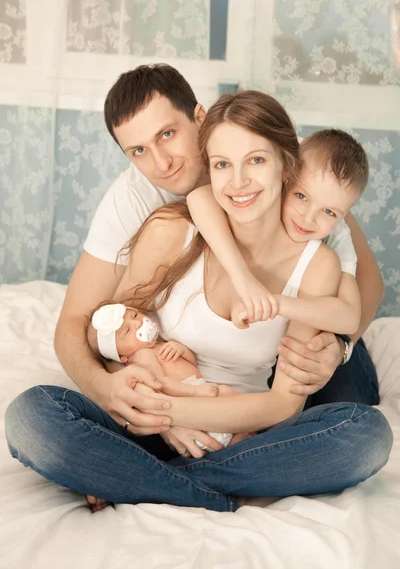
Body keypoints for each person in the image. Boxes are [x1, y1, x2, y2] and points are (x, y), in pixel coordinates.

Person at [6, 90, 392, 513]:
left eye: (256, 161)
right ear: (209, 168)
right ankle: (206, 490)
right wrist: (150, 407)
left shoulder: (318, 262)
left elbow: (284, 403)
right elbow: (110, 332)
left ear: (288, 164)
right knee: (32, 415)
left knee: (366, 435)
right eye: (222, 164)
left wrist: (180, 413)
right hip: (150, 421)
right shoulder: (172, 230)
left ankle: (142, 478)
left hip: (240, 432)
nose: (238, 182)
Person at [51, 64, 382, 428]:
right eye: (139, 150)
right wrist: (109, 389)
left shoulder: (306, 173)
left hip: (314, 327)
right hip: (189, 370)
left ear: (199, 116)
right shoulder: (138, 199)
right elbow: (80, 319)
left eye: (168, 134)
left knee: (348, 419)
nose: (162, 162)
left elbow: (365, 285)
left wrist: (340, 348)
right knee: (43, 413)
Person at [187, 128, 367, 335]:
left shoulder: (337, 235)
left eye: (329, 212)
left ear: (343, 215)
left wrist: (276, 303)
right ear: (285, 177)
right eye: (301, 196)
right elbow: (199, 198)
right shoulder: (268, 183)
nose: (308, 219)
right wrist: (242, 276)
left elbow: (350, 318)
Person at [87, 301, 235, 454]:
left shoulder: (158, 345)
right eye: (127, 331)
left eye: (135, 315)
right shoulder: (141, 356)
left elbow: (191, 364)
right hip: (189, 399)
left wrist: (181, 350)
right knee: (226, 397)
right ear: (122, 357)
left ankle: (243, 434)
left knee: (229, 400)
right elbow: (161, 384)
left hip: (199, 391)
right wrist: (196, 392)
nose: (137, 323)